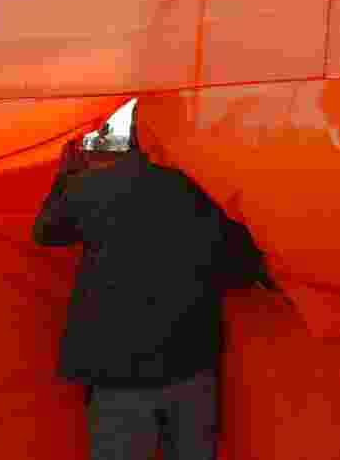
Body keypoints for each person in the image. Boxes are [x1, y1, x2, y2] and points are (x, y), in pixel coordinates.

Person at [32, 107, 268, 460]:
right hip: (189, 366)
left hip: (115, 373)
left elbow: (45, 233)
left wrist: (66, 176)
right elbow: (243, 267)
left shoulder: (92, 186)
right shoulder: (204, 191)